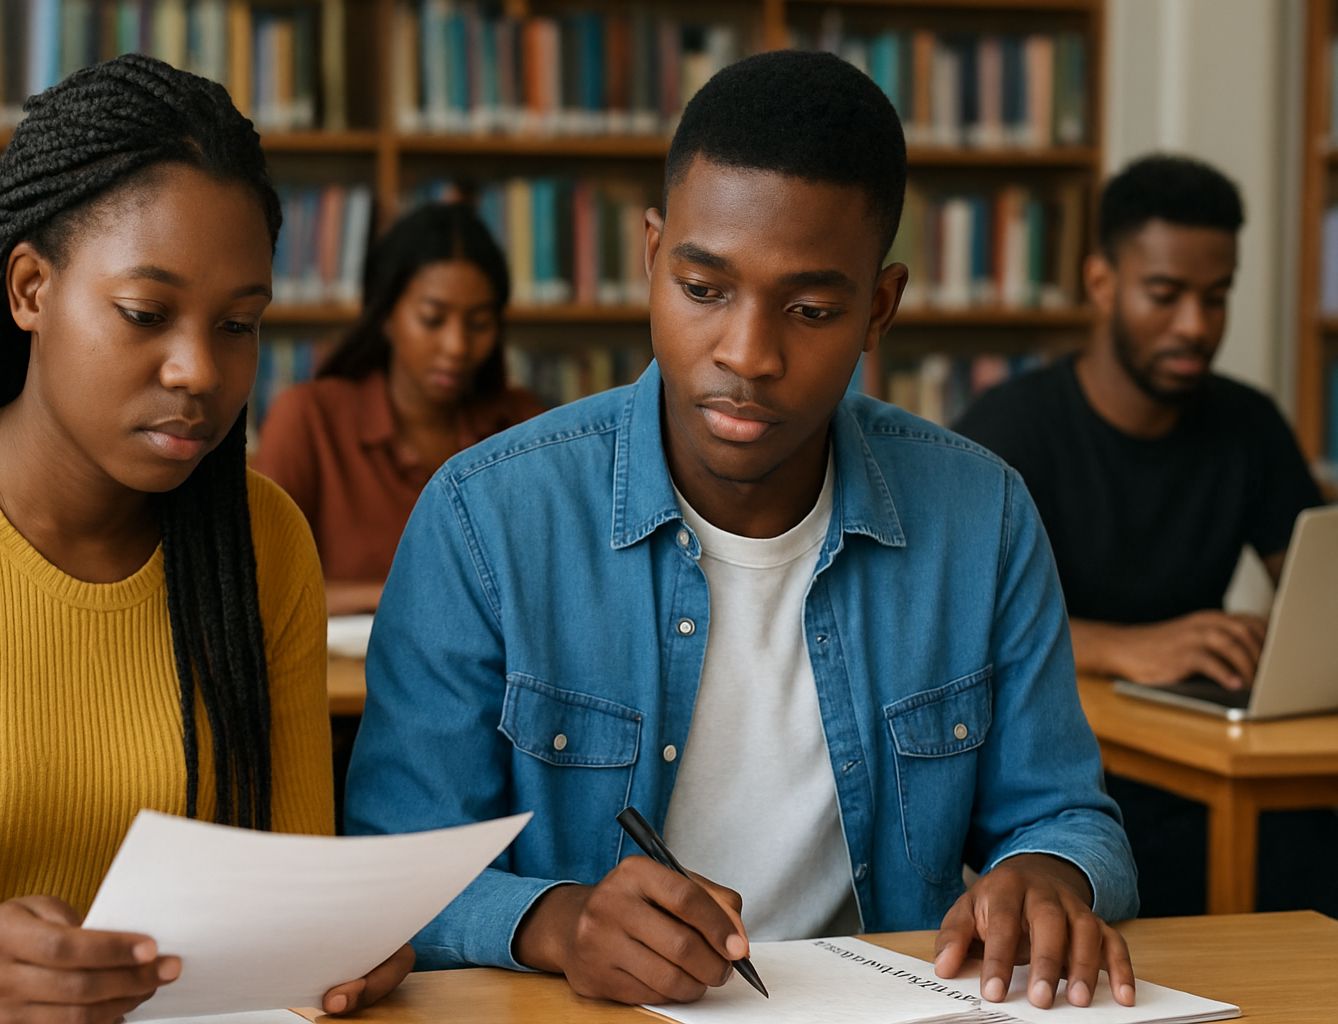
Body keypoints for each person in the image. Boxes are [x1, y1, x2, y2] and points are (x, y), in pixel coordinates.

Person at [346, 50, 1138, 1012]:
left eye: (810, 309)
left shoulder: (985, 515)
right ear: (650, 259)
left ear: (878, 310)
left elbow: (1064, 813)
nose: (747, 354)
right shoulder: (486, 516)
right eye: (703, 289)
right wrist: (558, 922)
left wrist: (1051, 876)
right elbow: (390, 869)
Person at [0, 55, 410, 1024]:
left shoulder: (265, 541)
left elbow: (291, 884)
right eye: (145, 314)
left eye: (240, 324)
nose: (198, 370)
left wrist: (341, 950)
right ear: (32, 288)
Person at [954, 155, 1330, 918]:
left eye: (1216, 298)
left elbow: (1314, 589)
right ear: (1101, 284)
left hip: (1219, 751)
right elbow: (956, 626)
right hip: (1080, 775)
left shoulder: (1248, 424)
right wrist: (1127, 646)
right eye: (1166, 295)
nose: (1195, 325)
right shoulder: (1010, 430)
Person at [252, 203, 544, 616]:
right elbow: (261, 582)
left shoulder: (523, 425)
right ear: (386, 316)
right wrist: (407, 594)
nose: (457, 346)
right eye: (432, 319)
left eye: (479, 324)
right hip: (343, 678)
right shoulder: (309, 416)